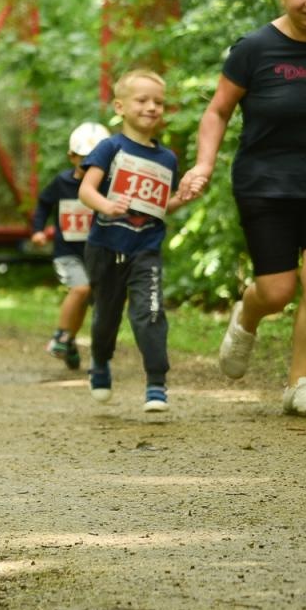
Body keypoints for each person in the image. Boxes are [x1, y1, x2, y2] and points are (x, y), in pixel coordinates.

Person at [179, 0, 306, 417]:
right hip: (267, 184)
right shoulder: (254, 49)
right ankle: (248, 313)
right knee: (277, 291)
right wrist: (203, 165)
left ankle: (300, 385)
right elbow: (217, 111)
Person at [78, 70, 188, 412]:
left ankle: (156, 383)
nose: (152, 107)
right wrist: (107, 206)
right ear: (120, 106)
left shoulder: (166, 158)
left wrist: (182, 198)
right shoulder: (110, 147)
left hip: (146, 248)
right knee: (106, 314)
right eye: (142, 100)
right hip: (105, 246)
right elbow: (85, 190)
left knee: (150, 312)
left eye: (158, 101)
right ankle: (100, 361)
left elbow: (159, 207)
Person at [30, 122, 110, 370]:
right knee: (80, 290)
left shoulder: (106, 186)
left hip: (98, 253)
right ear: (72, 156)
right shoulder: (61, 183)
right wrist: (38, 230)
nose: (89, 166)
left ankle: (74, 344)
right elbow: (43, 203)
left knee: (96, 302)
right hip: (67, 252)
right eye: (84, 159)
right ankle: (61, 337)